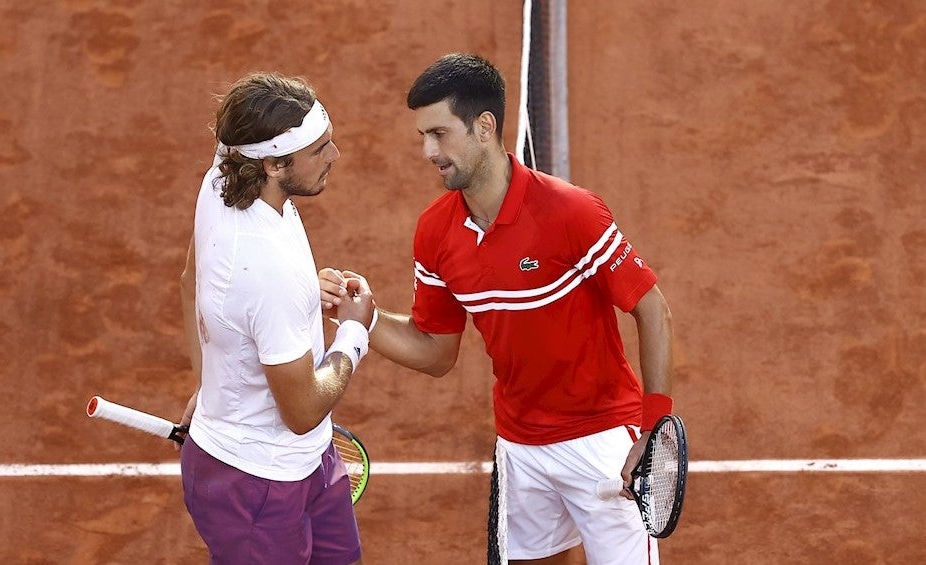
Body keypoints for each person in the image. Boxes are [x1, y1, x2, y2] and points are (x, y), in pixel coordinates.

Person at [320, 53, 674, 565]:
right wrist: (366, 319)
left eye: (439, 134)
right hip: (520, 446)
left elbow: (652, 309)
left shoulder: (572, 212)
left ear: (484, 127)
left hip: (603, 444)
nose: (427, 150)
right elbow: (436, 349)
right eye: (422, 136)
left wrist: (653, 429)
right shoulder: (435, 232)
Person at [177, 71, 374, 565]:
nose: (336, 156)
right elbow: (304, 410)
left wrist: (212, 387)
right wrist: (353, 333)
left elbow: (191, 281)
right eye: (319, 150)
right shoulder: (269, 272)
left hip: (307, 464)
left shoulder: (223, 175)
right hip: (256, 487)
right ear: (271, 163)